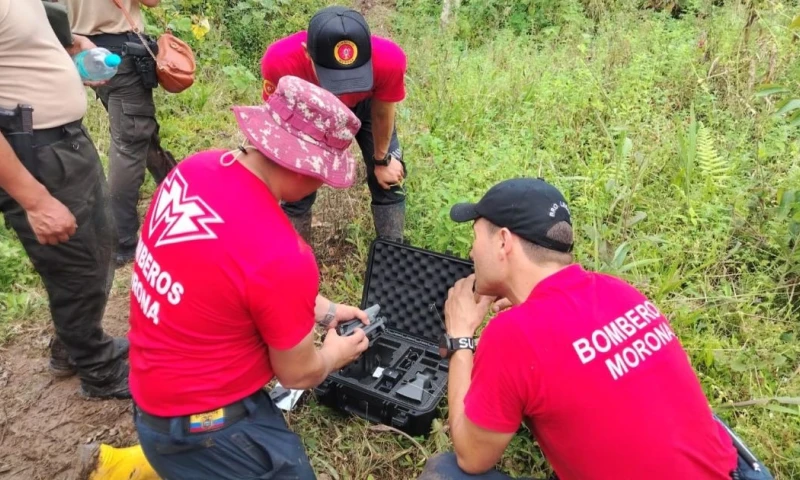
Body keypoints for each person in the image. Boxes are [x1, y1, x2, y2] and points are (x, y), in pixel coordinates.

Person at [418, 177, 771, 480]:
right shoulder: (619, 291)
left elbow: (472, 457)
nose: (471, 251)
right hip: (735, 471)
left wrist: (461, 336)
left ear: (503, 242)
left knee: (446, 472)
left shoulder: (514, 334)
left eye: (476, 236)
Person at [128, 75, 372, 478]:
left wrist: (325, 311)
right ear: (302, 169)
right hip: (202, 427)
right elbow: (298, 373)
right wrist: (334, 355)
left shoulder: (195, 168)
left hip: (149, 392)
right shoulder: (283, 254)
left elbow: (225, 272)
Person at [0, 0, 129, 398]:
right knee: (74, 264)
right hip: (35, 154)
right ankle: (98, 370)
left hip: (65, 141)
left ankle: (76, 345)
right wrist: (35, 201)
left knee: (98, 248)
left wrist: (73, 47)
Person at [260, 5, 408, 243]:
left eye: (353, 76)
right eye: (333, 77)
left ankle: (392, 253)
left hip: (365, 107)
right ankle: (295, 257)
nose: (343, 89)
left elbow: (382, 113)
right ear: (307, 53)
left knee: (389, 180)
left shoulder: (388, 60)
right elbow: (277, 121)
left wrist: (381, 160)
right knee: (294, 184)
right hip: (308, 110)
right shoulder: (281, 62)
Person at [62, 0, 178, 267]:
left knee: (137, 130)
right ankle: (121, 240)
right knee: (129, 144)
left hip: (83, 50)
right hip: (120, 52)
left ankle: (173, 182)